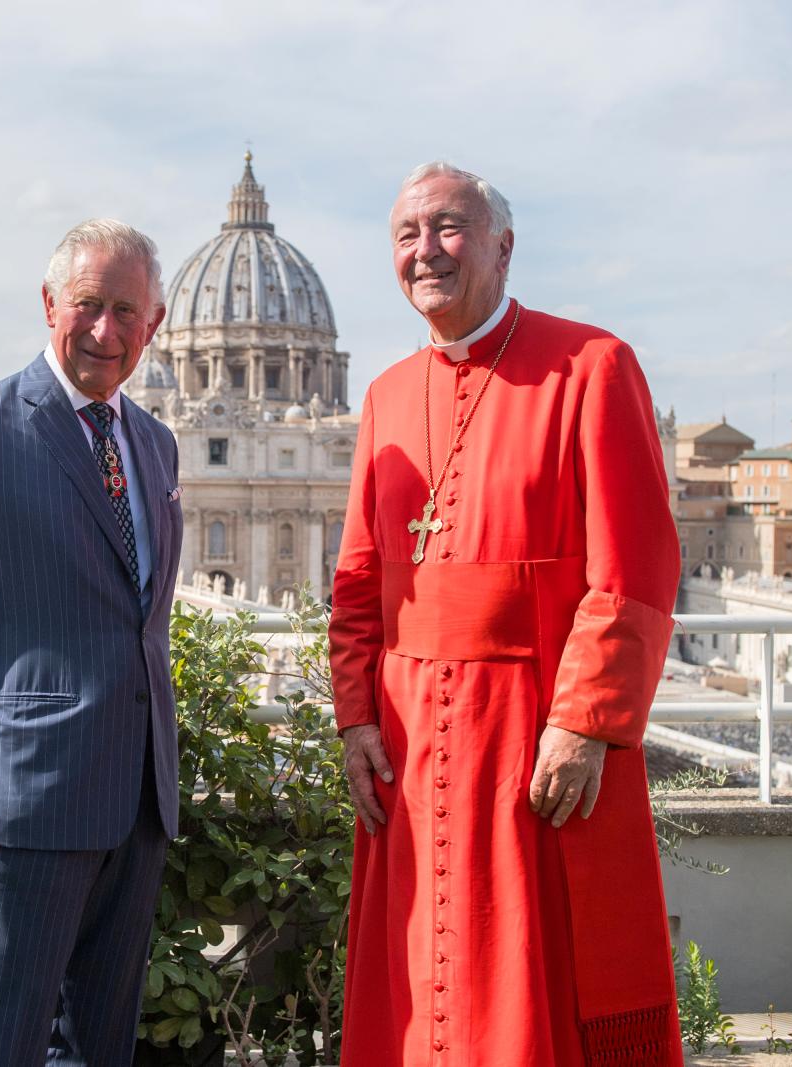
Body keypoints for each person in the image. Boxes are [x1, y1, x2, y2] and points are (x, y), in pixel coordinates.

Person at [329, 162, 683, 1066]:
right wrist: (356, 713)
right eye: (407, 235)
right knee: (418, 976)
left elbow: (635, 567)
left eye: (448, 228)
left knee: (529, 968)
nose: (425, 252)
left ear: (502, 245)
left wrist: (584, 723)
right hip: (410, 742)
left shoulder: (591, 366)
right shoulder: (384, 395)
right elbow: (360, 582)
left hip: (529, 730)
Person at [0, 218, 182, 1066]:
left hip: (135, 798)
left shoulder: (157, 445)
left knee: (101, 1047)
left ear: (154, 325)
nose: (105, 330)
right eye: (88, 304)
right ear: (50, 303)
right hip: (17, 801)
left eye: (128, 311)